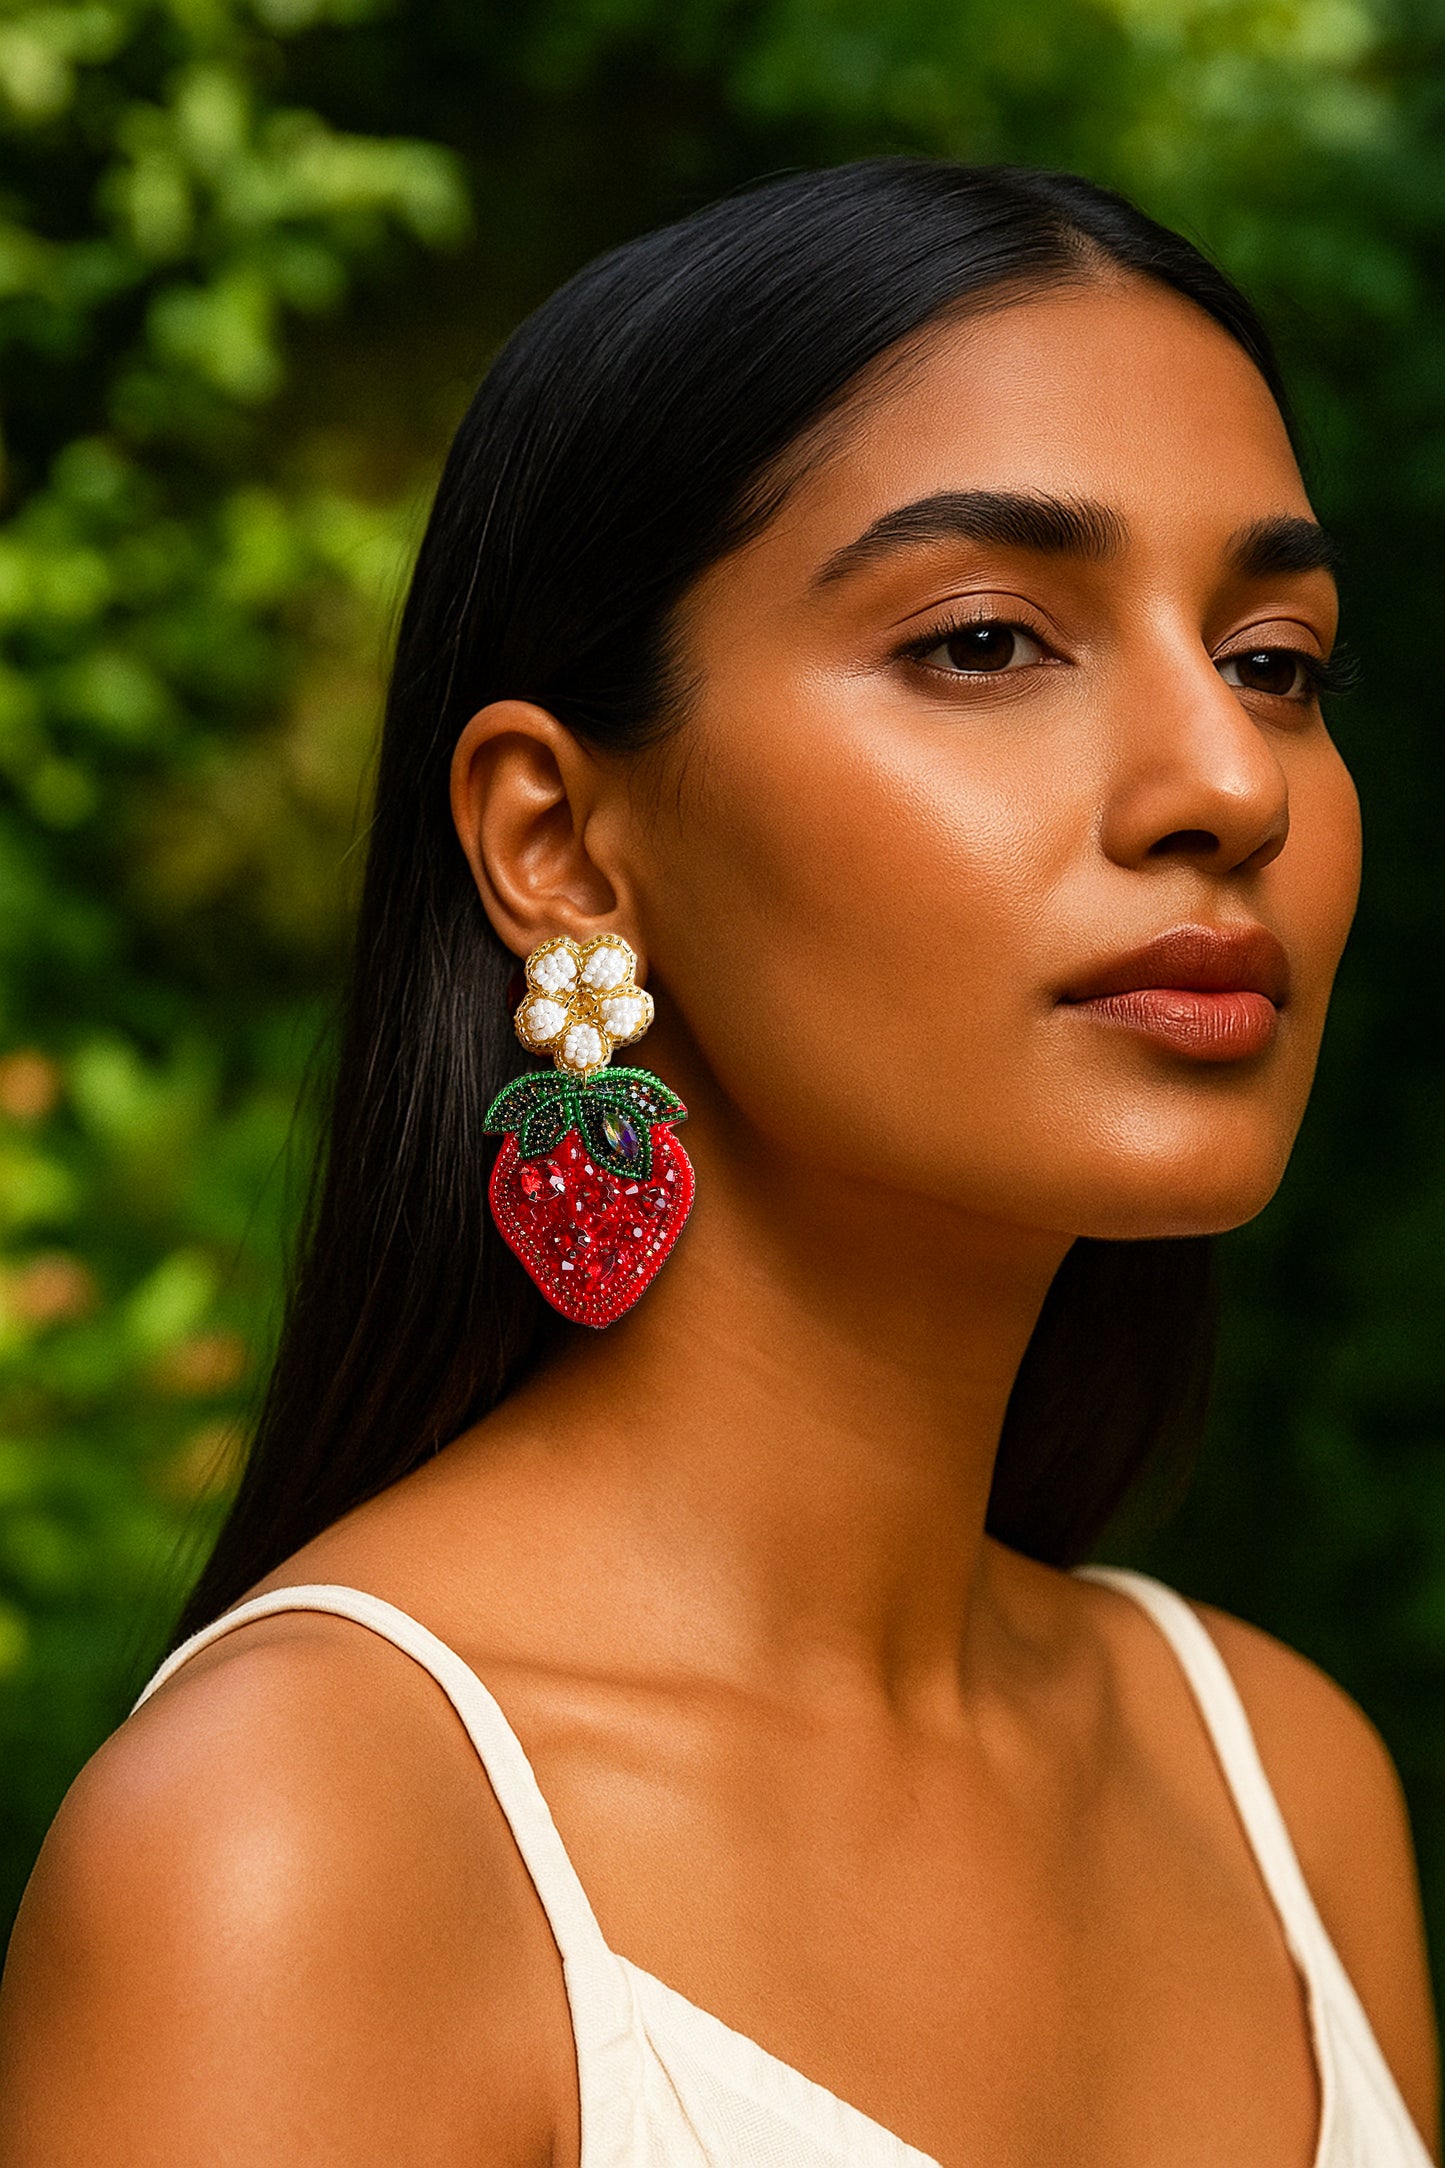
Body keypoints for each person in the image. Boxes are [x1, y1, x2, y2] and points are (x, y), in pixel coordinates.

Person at [0, 158, 1436, 2167]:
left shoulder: (1284, 1787)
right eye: (988, 641)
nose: (1225, 783)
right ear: (560, 843)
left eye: (1276, 660)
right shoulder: (303, 1850)